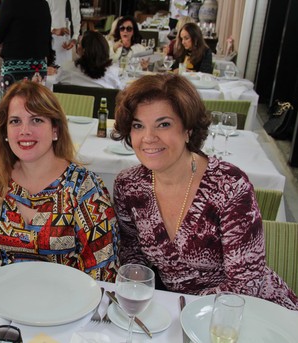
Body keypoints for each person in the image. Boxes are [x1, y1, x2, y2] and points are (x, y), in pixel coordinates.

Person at [112, 74, 298, 310]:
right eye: (138, 125)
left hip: (250, 312)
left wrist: (179, 308)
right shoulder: (129, 186)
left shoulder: (229, 187)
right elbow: (130, 247)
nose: (148, 137)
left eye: (164, 124)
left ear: (188, 129)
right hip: (177, 312)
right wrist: (137, 284)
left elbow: (246, 283)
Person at [0, 81, 118, 281]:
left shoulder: (84, 188)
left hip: (67, 304)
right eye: (15, 121)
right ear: (5, 133)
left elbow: (103, 272)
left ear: (55, 130)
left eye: (36, 120)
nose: (25, 130)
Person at [0, 0, 51, 91]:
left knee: (12, 102)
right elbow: (46, 36)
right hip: (38, 65)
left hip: (15, 65)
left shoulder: (10, 3)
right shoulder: (43, 4)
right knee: (36, 102)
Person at [56, 30, 121, 89]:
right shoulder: (112, 73)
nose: (77, 46)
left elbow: (57, 87)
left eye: (79, 44)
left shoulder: (67, 69)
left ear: (83, 51)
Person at [46, 0, 81, 66]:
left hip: (70, 45)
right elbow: (41, 21)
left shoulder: (75, 1)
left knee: (69, 71)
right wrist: (53, 30)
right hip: (52, 44)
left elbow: (77, 21)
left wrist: (74, 39)